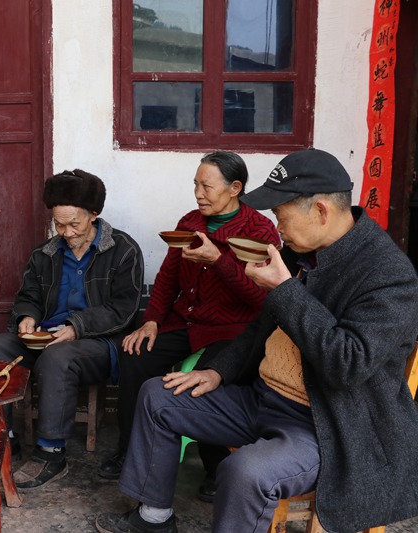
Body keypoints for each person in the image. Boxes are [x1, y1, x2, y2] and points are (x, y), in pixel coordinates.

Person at [95, 148, 418, 533]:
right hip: (263, 400)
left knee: (244, 471)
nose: (277, 228)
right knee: (158, 395)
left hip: (326, 426)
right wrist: (217, 372)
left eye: (281, 216)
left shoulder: (388, 275)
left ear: (320, 211)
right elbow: (260, 326)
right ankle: (154, 519)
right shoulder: (301, 251)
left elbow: (347, 364)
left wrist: (284, 290)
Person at [99, 151, 280, 505]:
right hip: (186, 321)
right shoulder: (189, 222)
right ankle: (128, 448)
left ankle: (218, 466)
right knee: (135, 354)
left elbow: (262, 299)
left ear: (235, 188)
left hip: (233, 330)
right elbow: (168, 278)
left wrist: (219, 260)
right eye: (195, 184)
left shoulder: (259, 230)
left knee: (206, 378)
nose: (198, 193)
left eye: (206, 186)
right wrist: (151, 320)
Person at [0, 169, 144, 489]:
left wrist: (76, 327)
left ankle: (51, 453)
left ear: (93, 214)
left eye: (75, 224)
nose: (67, 232)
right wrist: (26, 317)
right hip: (46, 338)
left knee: (58, 357)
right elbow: (28, 297)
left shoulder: (123, 250)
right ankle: (1, 438)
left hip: (96, 343)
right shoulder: (45, 253)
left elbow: (122, 310)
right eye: (59, 224)